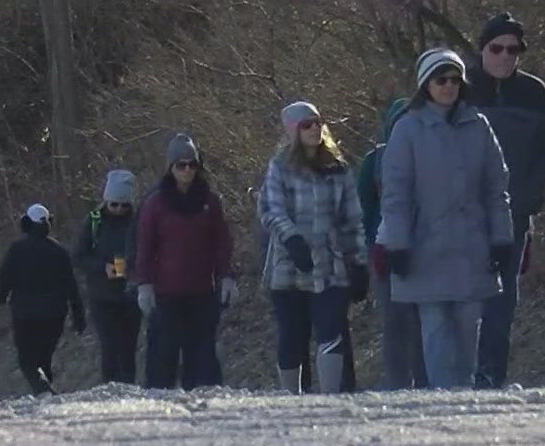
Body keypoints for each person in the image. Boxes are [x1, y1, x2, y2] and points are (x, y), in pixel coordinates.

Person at [379, 48, 515, 391]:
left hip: (472, 246)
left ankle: (463, 394)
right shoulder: (407, 129)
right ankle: (443, 398)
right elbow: (395, 194)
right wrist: (397, 244)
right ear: (426, 84)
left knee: (469, 326)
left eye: (455, 79)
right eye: (442, 79)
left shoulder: (478, 125)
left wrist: (502, 238)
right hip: (427, 247)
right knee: (436, 326)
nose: (449, 86)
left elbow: (496, 188)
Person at [464, 12, 545, 389]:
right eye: (496, 48)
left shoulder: (535, 93)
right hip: (462, 213)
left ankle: (492, 377)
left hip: (513, 214)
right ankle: (456, 376)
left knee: (502, 299)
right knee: (461, 295)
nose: (504, 56)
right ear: (482, 49)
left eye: (513, 50)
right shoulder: (459, 88)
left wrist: (530, 199)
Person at [258, 101, 371, 394]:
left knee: (331, 329)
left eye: (318, 122)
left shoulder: (338, 169)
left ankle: (330, 397)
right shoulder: (279, 167)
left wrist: (358, 262)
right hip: (289, 267)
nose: (315, 129)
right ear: (293, 131)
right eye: (306, 124)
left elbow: (351, 218)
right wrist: (292, 238)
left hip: (330, 266)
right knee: (293, 336)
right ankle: (290, 395)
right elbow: (271, 210)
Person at [135, 133, 237, 390]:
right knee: (163, 352)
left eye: (192, 164)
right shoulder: (155, 204)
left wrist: (226, 276)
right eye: (181, 165)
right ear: (170, 167)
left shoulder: (209, 202)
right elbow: (145, 245)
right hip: (166, 293)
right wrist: (144, 284)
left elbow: (222, 242)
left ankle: (206, 398)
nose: (188, 170)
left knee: (202, 352)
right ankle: (158, 399)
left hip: (202, 290)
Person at [358, 97, 426, 388]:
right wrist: (369, 251)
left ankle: (429, 384)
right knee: (396, 324)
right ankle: (398, 385)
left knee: (427, 324)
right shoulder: (374, 162)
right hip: (385, 250)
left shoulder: (430, 156)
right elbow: (364, 210)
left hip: (427, 248)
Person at [0, 203, 85, 395]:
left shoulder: (17, 249)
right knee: (45, 358)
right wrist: (79, 316)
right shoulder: (60, 251)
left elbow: (5, 279)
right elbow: (72, 286)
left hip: (24, 313)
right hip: (55, 313)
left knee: (27, 360)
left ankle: (44, 391)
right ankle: (46, 395)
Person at [73, 169, 143, 385]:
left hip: (131, 293)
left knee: (128, 346)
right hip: (102, 295)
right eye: (114, 204)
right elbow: (78, 256)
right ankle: (109, 387)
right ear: (106, 201)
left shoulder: (139, 221)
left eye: (124, 205)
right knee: (109, 345)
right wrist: (102, 267)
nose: (119, 209)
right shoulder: (94, 222)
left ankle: (129, 388)